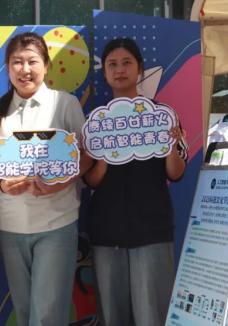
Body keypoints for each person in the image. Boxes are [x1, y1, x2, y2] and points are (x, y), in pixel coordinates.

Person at [84, 38, 187, 326]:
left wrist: (171, 147)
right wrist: (105, 154)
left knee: (151, 314)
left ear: (140, 69)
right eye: (112, 65)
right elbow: (91, 180)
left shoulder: (162, 116)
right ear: (105, 72)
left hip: (152, 229)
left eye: (126, 63)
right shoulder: (95, 121)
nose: (119, 70)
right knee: (112, 315)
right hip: (107, 230)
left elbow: (176, 173)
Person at [0, 32, 87, 326]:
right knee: (23, 312)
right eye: (16, 62)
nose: (25, 69)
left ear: (46, 65)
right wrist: (2, 184)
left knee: (47, 316)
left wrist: (63, 181)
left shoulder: (65, 103)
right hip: (11, 225)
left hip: (56, 223)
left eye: (32, 61)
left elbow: (87, 155)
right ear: (8, 68)